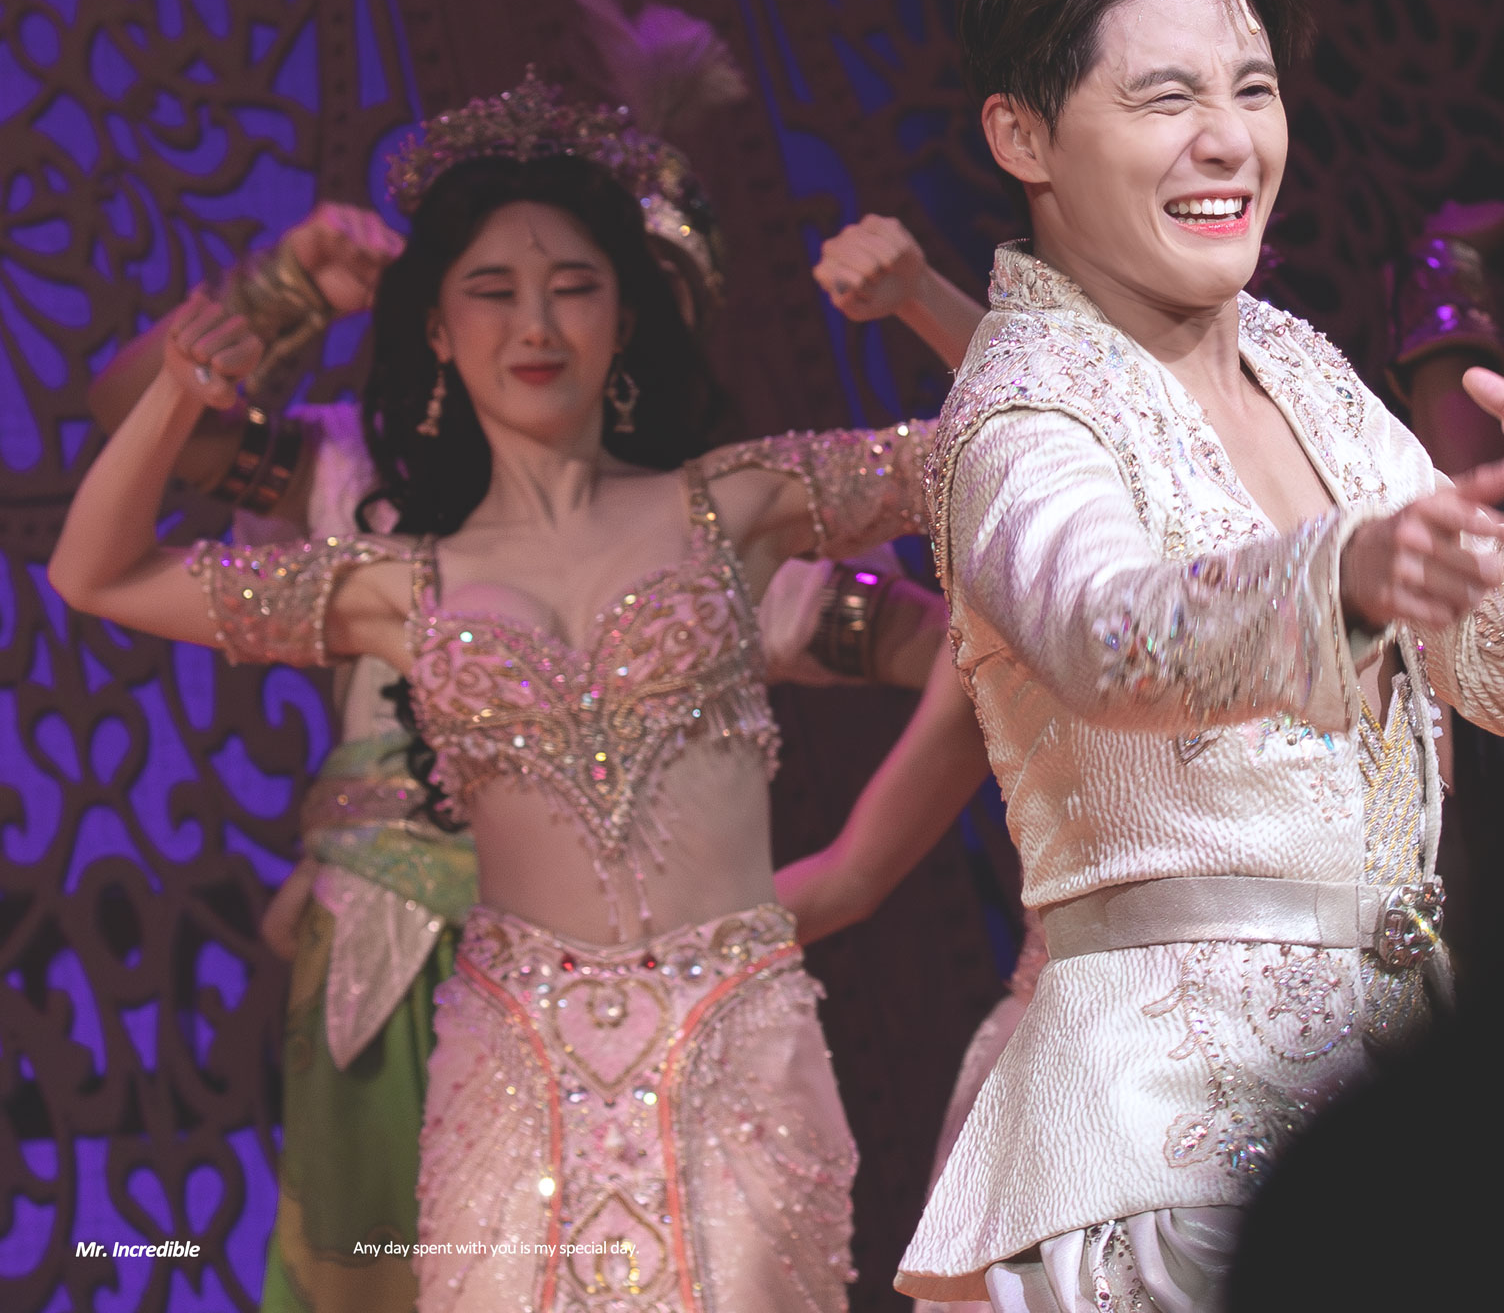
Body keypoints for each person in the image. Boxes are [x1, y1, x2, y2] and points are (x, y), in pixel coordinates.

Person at [50, 74, 959, 1311]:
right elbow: (97, 566)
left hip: (719, 1052)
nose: (537, 325)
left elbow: (1031, 454)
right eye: (492, 290)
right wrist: (196, 370)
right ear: (436, 326)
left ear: (634, 319)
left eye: (578, 286)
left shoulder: (735, 520)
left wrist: (855, 870)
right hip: (443, 997)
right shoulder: (374, 533)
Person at [890, 0, 1504, 1311]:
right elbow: (1104, 636)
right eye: (1167, 98)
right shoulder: (1020, 409)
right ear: (1023, 137)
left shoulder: (1300, 367)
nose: (1230, 140)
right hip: (1173, 1150)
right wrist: (1335, 577)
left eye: (1252, 90)